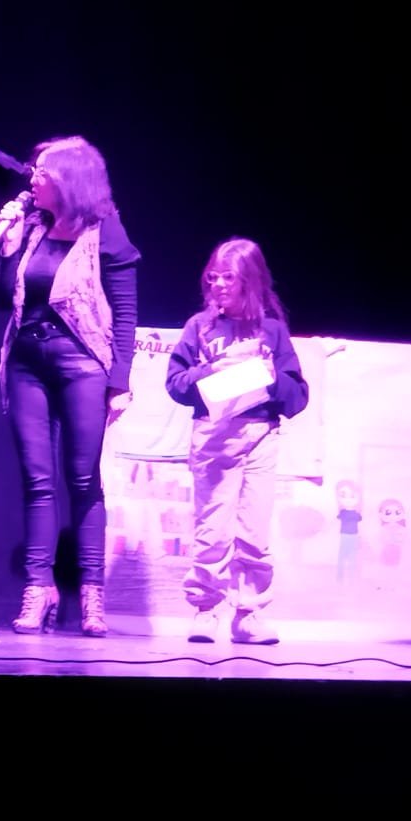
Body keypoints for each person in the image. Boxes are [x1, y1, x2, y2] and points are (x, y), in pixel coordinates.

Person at [0, 136, 139, 637]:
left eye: (42, 172)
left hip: (83, 363)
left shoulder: (104, 230)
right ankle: (38, 588)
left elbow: (124, 312)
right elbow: (0, 298)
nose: (32, 178)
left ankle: (92, 594)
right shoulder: (33, 226)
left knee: (82, 479)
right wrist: (8, 248)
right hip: (26, 361)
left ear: (69, 179)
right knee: (37, 480)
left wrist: (119, 381)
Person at [164, 237, 310, 644]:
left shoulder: (272, 331)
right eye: (213, 277)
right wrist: (210, 371)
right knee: (212, 531)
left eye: (228, 277)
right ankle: (205, 609)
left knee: (254, 533)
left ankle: (248, 614)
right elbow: (175, 384)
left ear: (250, 280)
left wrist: (270, 375)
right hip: (214, 437)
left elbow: (297, 396)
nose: (218, 285)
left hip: (260, 434)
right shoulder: (200, 327)